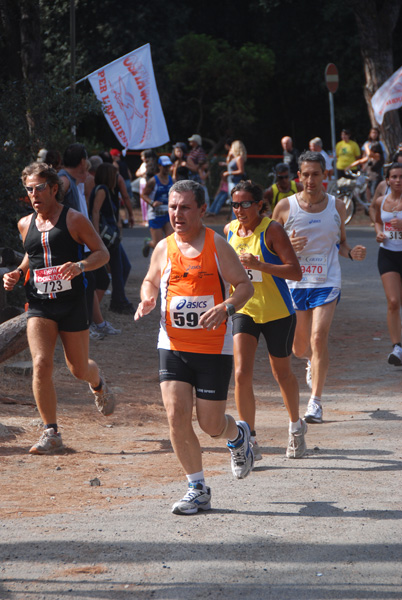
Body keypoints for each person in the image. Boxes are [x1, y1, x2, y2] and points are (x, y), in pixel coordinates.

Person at [134, 179, 254, 515]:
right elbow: (150, 278)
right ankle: (197, 487)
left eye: (185, 207)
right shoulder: (164, 247)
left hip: (214, 348)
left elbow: (245, 287)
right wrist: (148, 296)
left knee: (211, 425)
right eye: (172, 207)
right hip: (172, 344)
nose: (177, 214)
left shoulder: (217, 246)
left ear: (202, 210)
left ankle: (237, 435)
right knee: (175, 415)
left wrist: (226, 308)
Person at [3, 162, 115, 454]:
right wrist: (17, 272)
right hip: (40, 304)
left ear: (54, 188)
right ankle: (51, 432)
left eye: (40, 187)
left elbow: (102, 254)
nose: (34, 194)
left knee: (79, 368)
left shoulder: (74, 220)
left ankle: (99, 383)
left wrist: (79, 266)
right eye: (29, 189)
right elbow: (33, 254)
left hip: (73, 303)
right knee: (41, 363)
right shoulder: (25, 223)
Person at [273, 151, 366, 424]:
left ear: (325, 176)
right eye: (305, 174)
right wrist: (287, 247)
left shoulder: (338, 206)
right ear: (298, 176)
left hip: (327, 281)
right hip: (296, 282)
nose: (310, 180)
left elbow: (342, 243)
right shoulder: (285, 207)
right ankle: (311, 362)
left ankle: (315, 401)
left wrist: (352, 253)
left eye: (316, 174)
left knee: (319, 337)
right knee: (300, 348)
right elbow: (269, 249)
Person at [224, 180, 307, 460]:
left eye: (246, 203)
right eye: (235, 204)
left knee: (281, 373)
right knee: (240, 373)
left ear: (259, 204)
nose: (239, 209)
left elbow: (295, 272)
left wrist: (260, 265)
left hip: (278, 313)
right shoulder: (229, 231)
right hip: (245, 310)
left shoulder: (272, 230)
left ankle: (296, 426)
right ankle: (250, 439)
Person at [89, 162, 134, 315]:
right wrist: (96, 237)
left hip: (110, 236)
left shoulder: (106, 190)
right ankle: (119, 301)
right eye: (114, 175)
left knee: (123, 267)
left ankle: (118, 298)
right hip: (106, 237)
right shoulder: (102, 190)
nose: (116, 178)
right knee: (118, 267)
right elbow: (95, 212)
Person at [374, 162, 402, 365]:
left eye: (401, 177)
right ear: (387, 180)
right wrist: (378, 233)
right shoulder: (380, 201)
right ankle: (397, 347)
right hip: (388, 254)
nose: (398, 180)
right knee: (393, 301)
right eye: (394, 177)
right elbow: (376, 220)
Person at [141, 155, 174, 258]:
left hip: (167, 214)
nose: (166, 168)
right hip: (155, 214)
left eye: (168, 166)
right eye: (164, 166)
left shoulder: (171, 179)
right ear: (159, 166)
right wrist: (152, 202)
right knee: (158, 244)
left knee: (171, 242)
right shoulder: (153, 181)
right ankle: (149, 243)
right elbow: (143, 194)